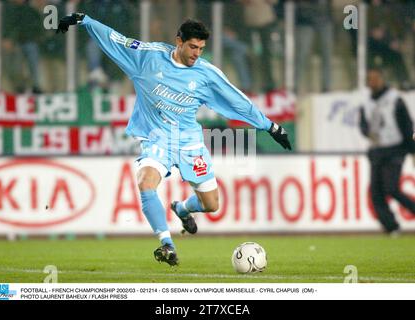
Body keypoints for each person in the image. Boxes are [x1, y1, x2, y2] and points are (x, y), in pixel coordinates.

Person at [57, 13, 291, 266]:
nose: (196, 54)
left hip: (189, 141)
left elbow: (237, 100)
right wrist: (85, 21)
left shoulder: (206, 74)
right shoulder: (148, 58)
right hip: (156, 138)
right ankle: (166, 244)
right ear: (178, 41)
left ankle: (183, 208)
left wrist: (270, 126)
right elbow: (117, 40)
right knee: (146, 182)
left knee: (212, 204)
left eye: (201, 48)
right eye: (192, 46)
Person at [359, 68, 415, 234]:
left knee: (391, 188)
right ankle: (391, 227)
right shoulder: (366, 102)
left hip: (395, 149)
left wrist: (412, 150)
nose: (373, 82)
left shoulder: (395, 99)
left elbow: (406, 125)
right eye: (370, 79)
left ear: (382, 79)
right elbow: (363, 125)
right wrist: (368, 132)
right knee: (376, 192)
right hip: (377, 150)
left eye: (376, 78)